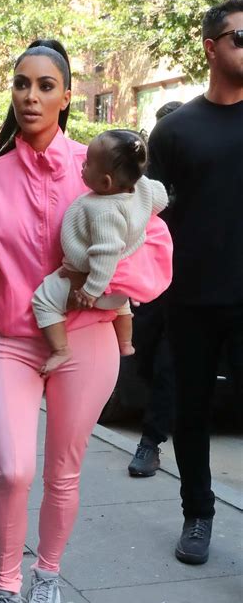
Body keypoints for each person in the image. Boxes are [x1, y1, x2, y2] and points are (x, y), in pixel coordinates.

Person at [0, 39, 172, 603]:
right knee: (14, 470)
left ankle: (48, 578)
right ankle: (5, 589)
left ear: (66, 97)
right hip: (11, 342)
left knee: (64, 473)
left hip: (87, 343)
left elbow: (154, 245)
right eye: (21, 84)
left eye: (44, 86)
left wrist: (107, 285)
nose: (31, 96)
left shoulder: (98, 168)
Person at [146, 0, 243, 564]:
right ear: (211, 46)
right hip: (192, 299)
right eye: (239, 37)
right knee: (193, 411)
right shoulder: (177, 132)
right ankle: (197, 512)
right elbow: (151, 218)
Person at [32, 128, 168, 374]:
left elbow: (105, 254)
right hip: (120, 289)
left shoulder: (103, 211)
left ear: (105, 182)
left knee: (43, 300)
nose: (82, 166)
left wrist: (90, 291)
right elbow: (162, 199)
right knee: (121, 305)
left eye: (87, 164)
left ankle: (61, 349)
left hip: (94, 283)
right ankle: (125, 343)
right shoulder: (143, 188)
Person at [128, 100, 183, 478]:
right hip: (149, 285)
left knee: (168, 362)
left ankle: (151, 440)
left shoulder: (198, 174)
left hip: (187, 285)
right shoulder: (145, 178)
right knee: (144, 355)